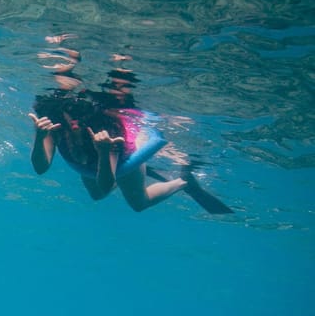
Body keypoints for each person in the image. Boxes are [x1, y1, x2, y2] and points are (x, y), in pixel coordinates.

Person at [28, 44, 231, 214]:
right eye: (69, 119)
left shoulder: (107, 131)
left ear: (88, 118)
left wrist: (105, 151)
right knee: (96, 195)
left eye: (78, 121)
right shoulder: (53, 119)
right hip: (87, 161)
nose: (72, 125)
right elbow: (40, 168)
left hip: (122, 158)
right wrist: (40, 136)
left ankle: (182, 181)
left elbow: (106, 183)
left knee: (138, 203)